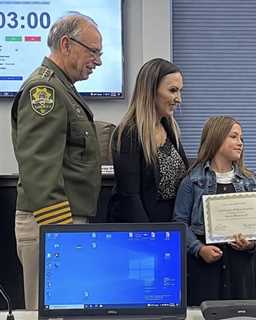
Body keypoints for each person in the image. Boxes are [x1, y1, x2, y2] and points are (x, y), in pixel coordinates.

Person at [11, 13, 103, 309]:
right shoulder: (45, 91)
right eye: (93, 51)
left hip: (63, 223)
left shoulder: (63, 88)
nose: (98, 61)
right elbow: (39, 169)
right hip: (50, 224)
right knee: (51, 313)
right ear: (66, 44)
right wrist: (62, 234)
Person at [174, 116, 256, 306]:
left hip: (240, 269)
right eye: (234, 137)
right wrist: (199, 249)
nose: (240, 143)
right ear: (216, 139)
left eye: (242, 138)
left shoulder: (249, 180)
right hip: (204, 268)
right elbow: (179, 223)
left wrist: (250, 244)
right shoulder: (192, 181)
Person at [108, 58, 188, 222]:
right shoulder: (129, 133)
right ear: (150, 90)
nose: (179, 99)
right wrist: (149, 237)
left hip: (171, 227)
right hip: (144, 231)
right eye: (173, 90)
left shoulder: (169, 128)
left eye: (180, 91)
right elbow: (130, 197)